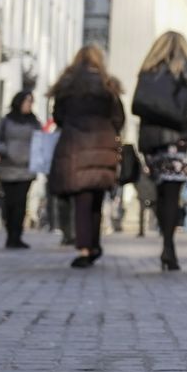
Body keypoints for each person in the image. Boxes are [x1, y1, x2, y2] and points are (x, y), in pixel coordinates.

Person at [48, 45, 125, 268]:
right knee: (96, 200)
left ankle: (84, 248)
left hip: (76, 146)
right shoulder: (108, 85)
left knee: (82, 199)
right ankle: (94, 243)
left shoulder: (68, 85)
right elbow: (119, 118)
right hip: (103, 147)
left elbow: (58, 117)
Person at [134, 31, 187, 271]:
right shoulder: (183, 68)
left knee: (161, 194)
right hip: (176, 140)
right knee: (172, 194)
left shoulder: (148, 69)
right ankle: (168, 247)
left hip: (152, 142)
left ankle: (166, 242)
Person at [0, 91, 41, 249]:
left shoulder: (34, 122)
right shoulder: (7, 121)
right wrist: (6, 151)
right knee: (9, 203)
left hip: (26, 169)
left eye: (31, 102)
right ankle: (9, 234)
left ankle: (17, 236)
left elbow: (40, 141)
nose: (29, 104)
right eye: (27, 101)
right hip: (8, 167)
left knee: (20, 203)